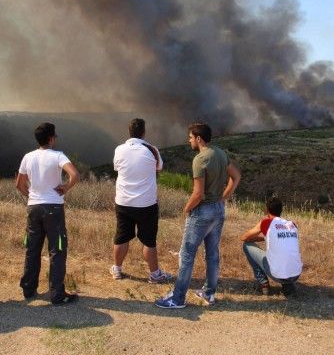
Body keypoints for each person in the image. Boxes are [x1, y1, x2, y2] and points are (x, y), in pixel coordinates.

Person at [155, 122, 241, 309]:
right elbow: (236, 176)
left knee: (187, 254)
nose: (189, 141)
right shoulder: (220, 153)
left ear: (199, 138)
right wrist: (224, 197)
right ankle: (209, 293)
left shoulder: (200, 159)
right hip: (218, 210)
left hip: (202, 212)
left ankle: (177, 298)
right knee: (212, 254)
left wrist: (186, 208)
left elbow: (198, 194)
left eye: (191, 137)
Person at [16, 122, 80, 305]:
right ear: (51, 139)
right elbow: (74, 175)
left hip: (33, 208)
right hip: (54, 208)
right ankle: (57, 295)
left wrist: (32, 197)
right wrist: (66, 187)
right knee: (57, 251)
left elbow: (19, 185)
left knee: (32, 249)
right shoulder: (58, 155)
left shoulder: (27, 157)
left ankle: (28, 290)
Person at [111, 118, 172, 283]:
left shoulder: (119, 149)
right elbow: (159, 168)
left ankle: (117, 269)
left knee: (121, 237)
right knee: (149, 241)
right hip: (146, 203)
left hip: (123, 202)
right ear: (144, 132)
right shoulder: (152, 150)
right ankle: (154, 274)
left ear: (129, 131)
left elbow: (116, 167)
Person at [240, 196, 303, 296]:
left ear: (267, 209)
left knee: (247, 245)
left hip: (277, 274)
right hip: (296, 274)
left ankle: (263, 284)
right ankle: (288, 286)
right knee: (285, 255)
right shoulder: (292, 224)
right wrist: (266, 237)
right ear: (281, 210)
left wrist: (261, 237)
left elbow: (244, 237)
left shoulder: (266, 223)